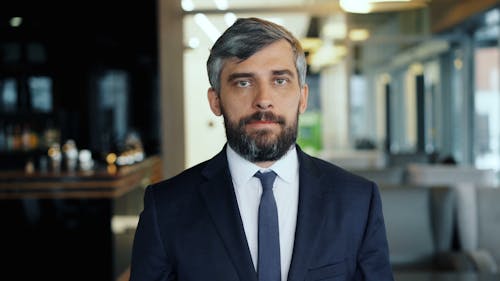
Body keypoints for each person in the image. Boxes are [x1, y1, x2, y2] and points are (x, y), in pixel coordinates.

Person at [129, 17, 394, 281]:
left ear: (302, 98)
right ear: (216, 101)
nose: (263, 101)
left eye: (279, 81)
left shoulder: (358, 202)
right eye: (243, 83)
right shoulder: (165, 209)